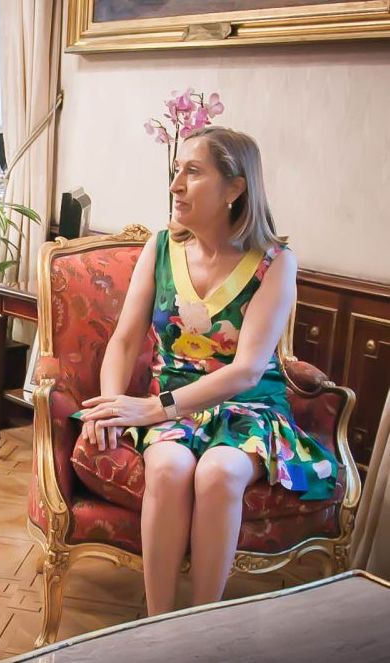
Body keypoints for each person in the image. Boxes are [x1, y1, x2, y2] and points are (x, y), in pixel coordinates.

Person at [76, 126, 336, 616]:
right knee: (170, 467)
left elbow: (246, 371)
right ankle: (158, 625)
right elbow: (125, 340)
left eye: (192, 172)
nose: (175, 185)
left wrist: (154, 407)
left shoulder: (276, 264)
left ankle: (202, 629)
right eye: (177, 171)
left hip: (249, 409)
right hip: (172, 407)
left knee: (219, 472)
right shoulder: (160, 248)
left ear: (235, 188)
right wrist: (112, 406)